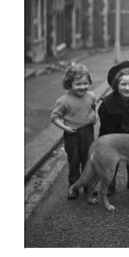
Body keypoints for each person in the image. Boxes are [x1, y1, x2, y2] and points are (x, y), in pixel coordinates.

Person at [98, 61, 129, 196]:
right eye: (123, 84)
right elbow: (106, 126)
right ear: (116, 85)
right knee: (112, 160)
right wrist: (117, 142)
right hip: (112, 137)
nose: (127, 88)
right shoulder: (107, 103)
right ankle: (111, 182)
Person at [51, 63, 97, 199]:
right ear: (69, 84)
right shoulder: (63, 101)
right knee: (74, 162)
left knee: (88, 160)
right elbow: (54, 117)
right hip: (73, 134)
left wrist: (94, 117)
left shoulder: (91, 96)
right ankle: (74, 187)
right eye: (78, 84)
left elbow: (93, 107)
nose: (82, 87)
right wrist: (65, 128)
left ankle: (88, 185)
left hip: (88, 132)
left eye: (85, 83)